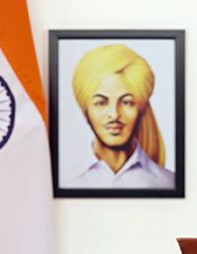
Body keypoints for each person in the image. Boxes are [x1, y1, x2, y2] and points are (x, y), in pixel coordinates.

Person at [68, 44, 174, 189]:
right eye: (100, 103)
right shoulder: (66, 179)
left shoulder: (168, 182)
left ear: (141, 109)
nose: (114, 114)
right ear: (85, 111)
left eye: (126, 102)